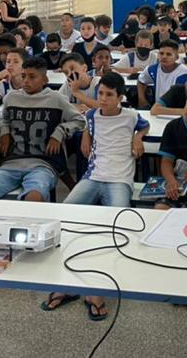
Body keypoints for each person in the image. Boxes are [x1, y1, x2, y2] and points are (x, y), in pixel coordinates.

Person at [42, 73, 148, 321]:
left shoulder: (131, 116)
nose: (103, 99)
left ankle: (96, 290)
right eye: (100, 94)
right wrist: (88, 134)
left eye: (109, 95)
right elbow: (87, 123)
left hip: (119, 180)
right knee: (64, 218)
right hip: (93, 177)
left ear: (120, 97)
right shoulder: (91, 116)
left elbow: (145, 125)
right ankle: (68, 284)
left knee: (116, 229)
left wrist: (137, 137)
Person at [0, 57, 84, 201]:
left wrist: (60, 132)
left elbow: (79, 120)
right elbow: (4, 118)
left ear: (44, 80)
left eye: (32, 77)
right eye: (23, 76)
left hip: (43, 164)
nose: (26, 81)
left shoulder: (57, 99)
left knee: (34, 197)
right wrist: (4, 131)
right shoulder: (11, 97)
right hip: (11, 162)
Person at [136, 40, 187, 109]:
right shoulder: (153, 69)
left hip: (176, 110)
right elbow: (141, 81)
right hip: (158, 109)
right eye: (161, 53)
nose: (164, 57)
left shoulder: (183, 73)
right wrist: (142, 99)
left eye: (168, 54)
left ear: (177, 57)